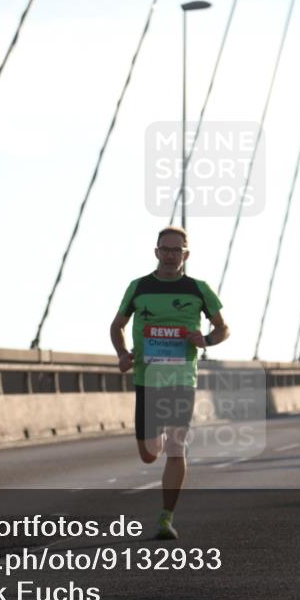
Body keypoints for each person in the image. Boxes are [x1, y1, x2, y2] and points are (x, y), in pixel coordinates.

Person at [110, 226, 229, 540]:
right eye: (166, 249)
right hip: (147, 378)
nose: (171, 255)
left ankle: (165, 517)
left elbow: (223, 328)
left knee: (176, 449)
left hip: (181, 380)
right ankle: (158, 439)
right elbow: (117, 326)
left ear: (185, 255)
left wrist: (206, 339)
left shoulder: (198, 289)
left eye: (177, 250)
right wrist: (123, 353)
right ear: (156, 252)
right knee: (149, 454)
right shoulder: (138, 287)